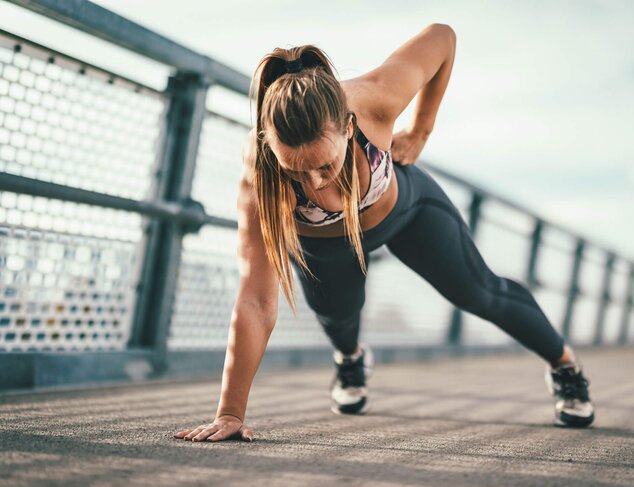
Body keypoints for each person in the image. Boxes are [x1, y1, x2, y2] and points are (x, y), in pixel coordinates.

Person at [174, 24, 594, 443]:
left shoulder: (375, 97)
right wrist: (230, 412)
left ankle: (566, 367)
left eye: (325, 165)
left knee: (480, 292)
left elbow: (443, 37)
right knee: (340, 316)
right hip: (326, 248)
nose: (315, 184)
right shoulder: (261, 171)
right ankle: (351, 359)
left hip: (406, 213)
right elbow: (256, 300)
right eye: (295, 171)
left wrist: (421, 130)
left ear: (348, 126)